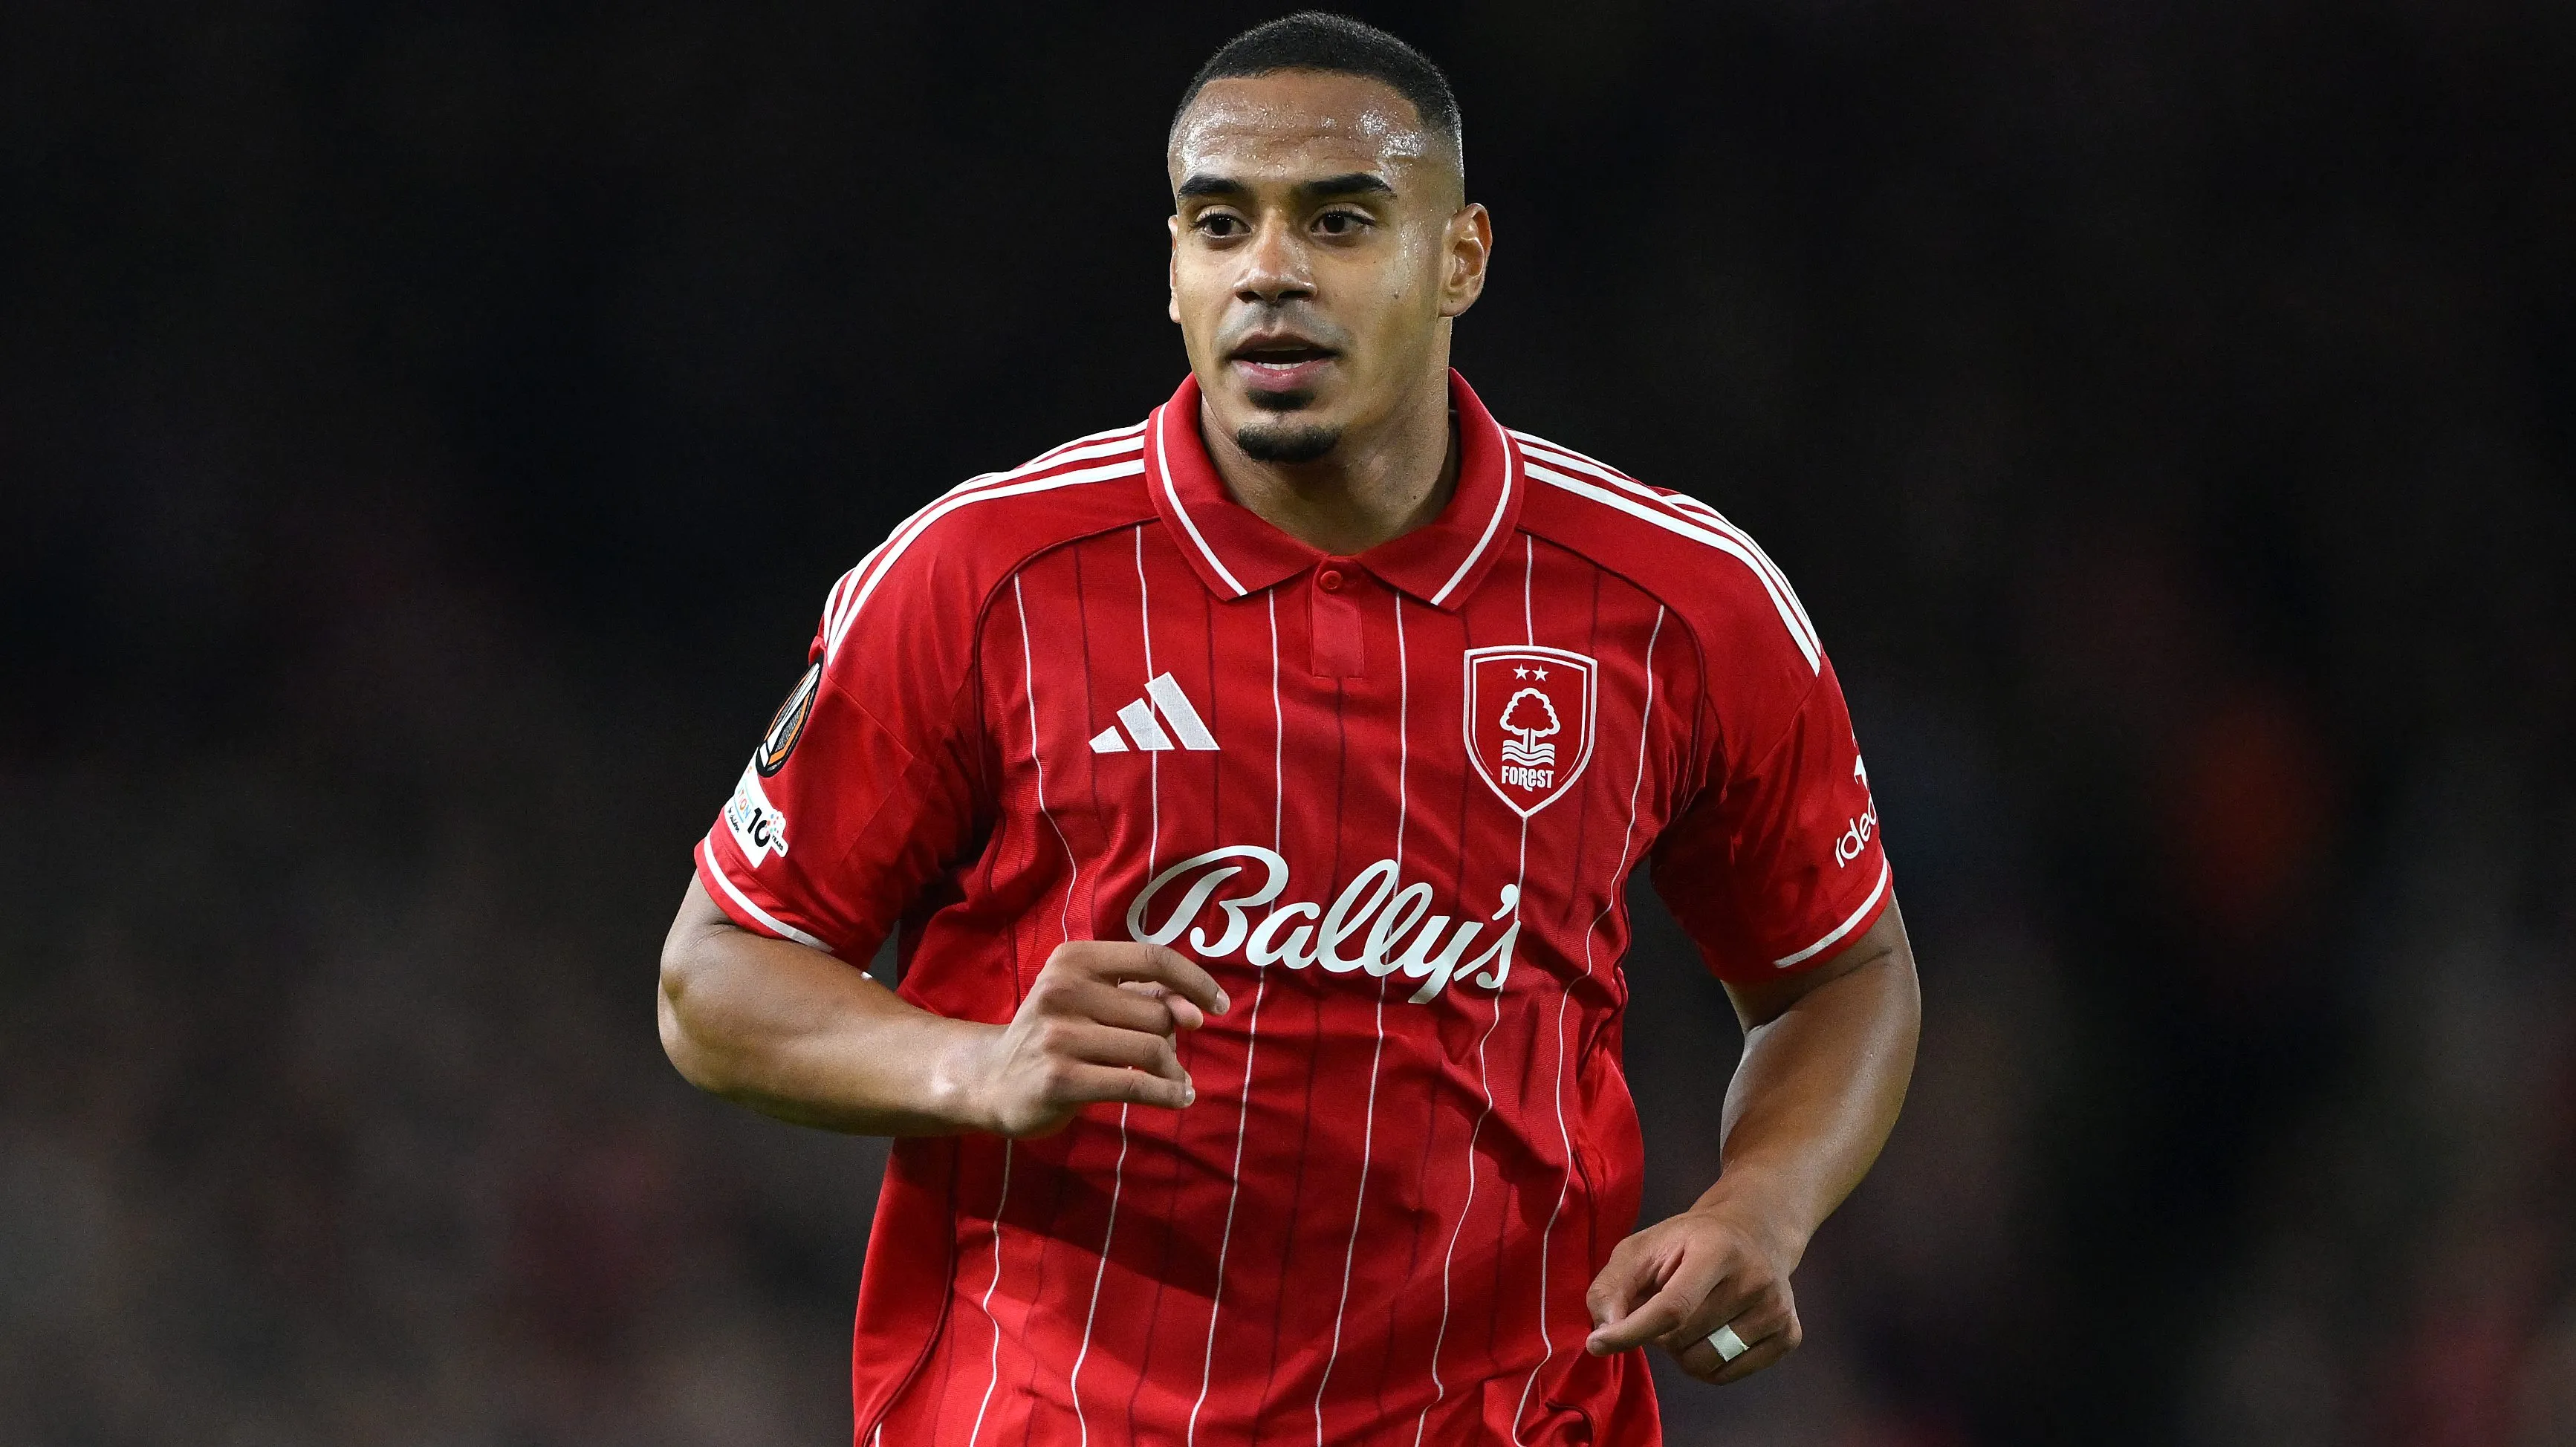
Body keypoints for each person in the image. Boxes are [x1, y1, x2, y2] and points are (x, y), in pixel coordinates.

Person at [657, 12, 1920, 1443]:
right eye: (1220, 224)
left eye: (1337, 220)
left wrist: (1762, 1200)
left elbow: (1840, 972)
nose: (1269, 272)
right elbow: (717, 979)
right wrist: (972, 1064)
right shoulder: (977, 578)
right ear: (1177, 272)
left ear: (1460, 259)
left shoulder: (1678, 603)